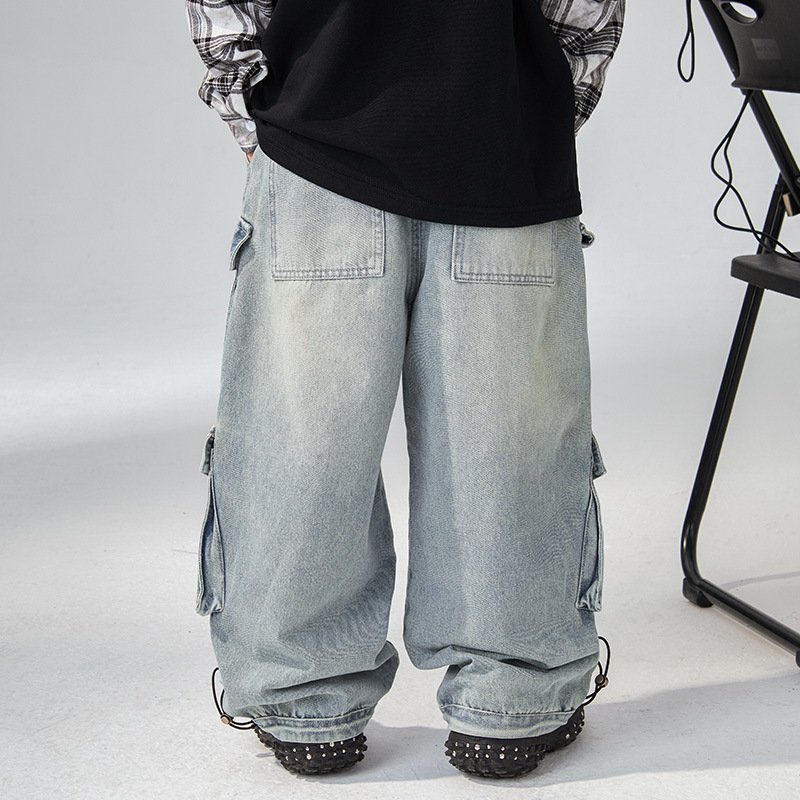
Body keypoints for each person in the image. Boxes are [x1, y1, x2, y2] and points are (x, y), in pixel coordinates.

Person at [185, 0, 624, 780]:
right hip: (502, 152)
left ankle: (304, 705)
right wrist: (531, 111)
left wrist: (259, 124)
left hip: (314, 157)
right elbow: (584, 16)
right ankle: (510, 702)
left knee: (302, 442)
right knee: (508, 443)